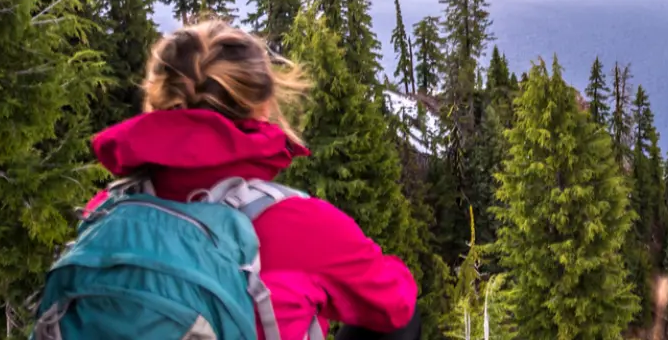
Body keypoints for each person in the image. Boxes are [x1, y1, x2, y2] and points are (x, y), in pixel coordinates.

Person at [80, 20, 419, 340]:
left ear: (157, 101)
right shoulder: (298, 224)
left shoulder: (104, 213)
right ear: (264, 106)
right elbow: (396, 303)